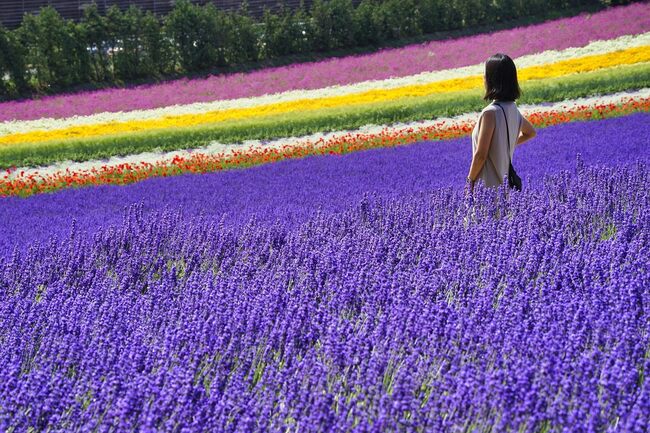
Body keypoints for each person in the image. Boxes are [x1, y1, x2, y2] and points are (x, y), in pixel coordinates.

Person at [467, 53, 536, 190]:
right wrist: (504, 146)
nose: (483, 78)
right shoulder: (512, 108)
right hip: (505, 187)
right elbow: (530, 132)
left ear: (492, 79)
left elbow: (481, 155)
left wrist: (470, 180)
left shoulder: (490, 113)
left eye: (485, 74)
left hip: (486, 186)